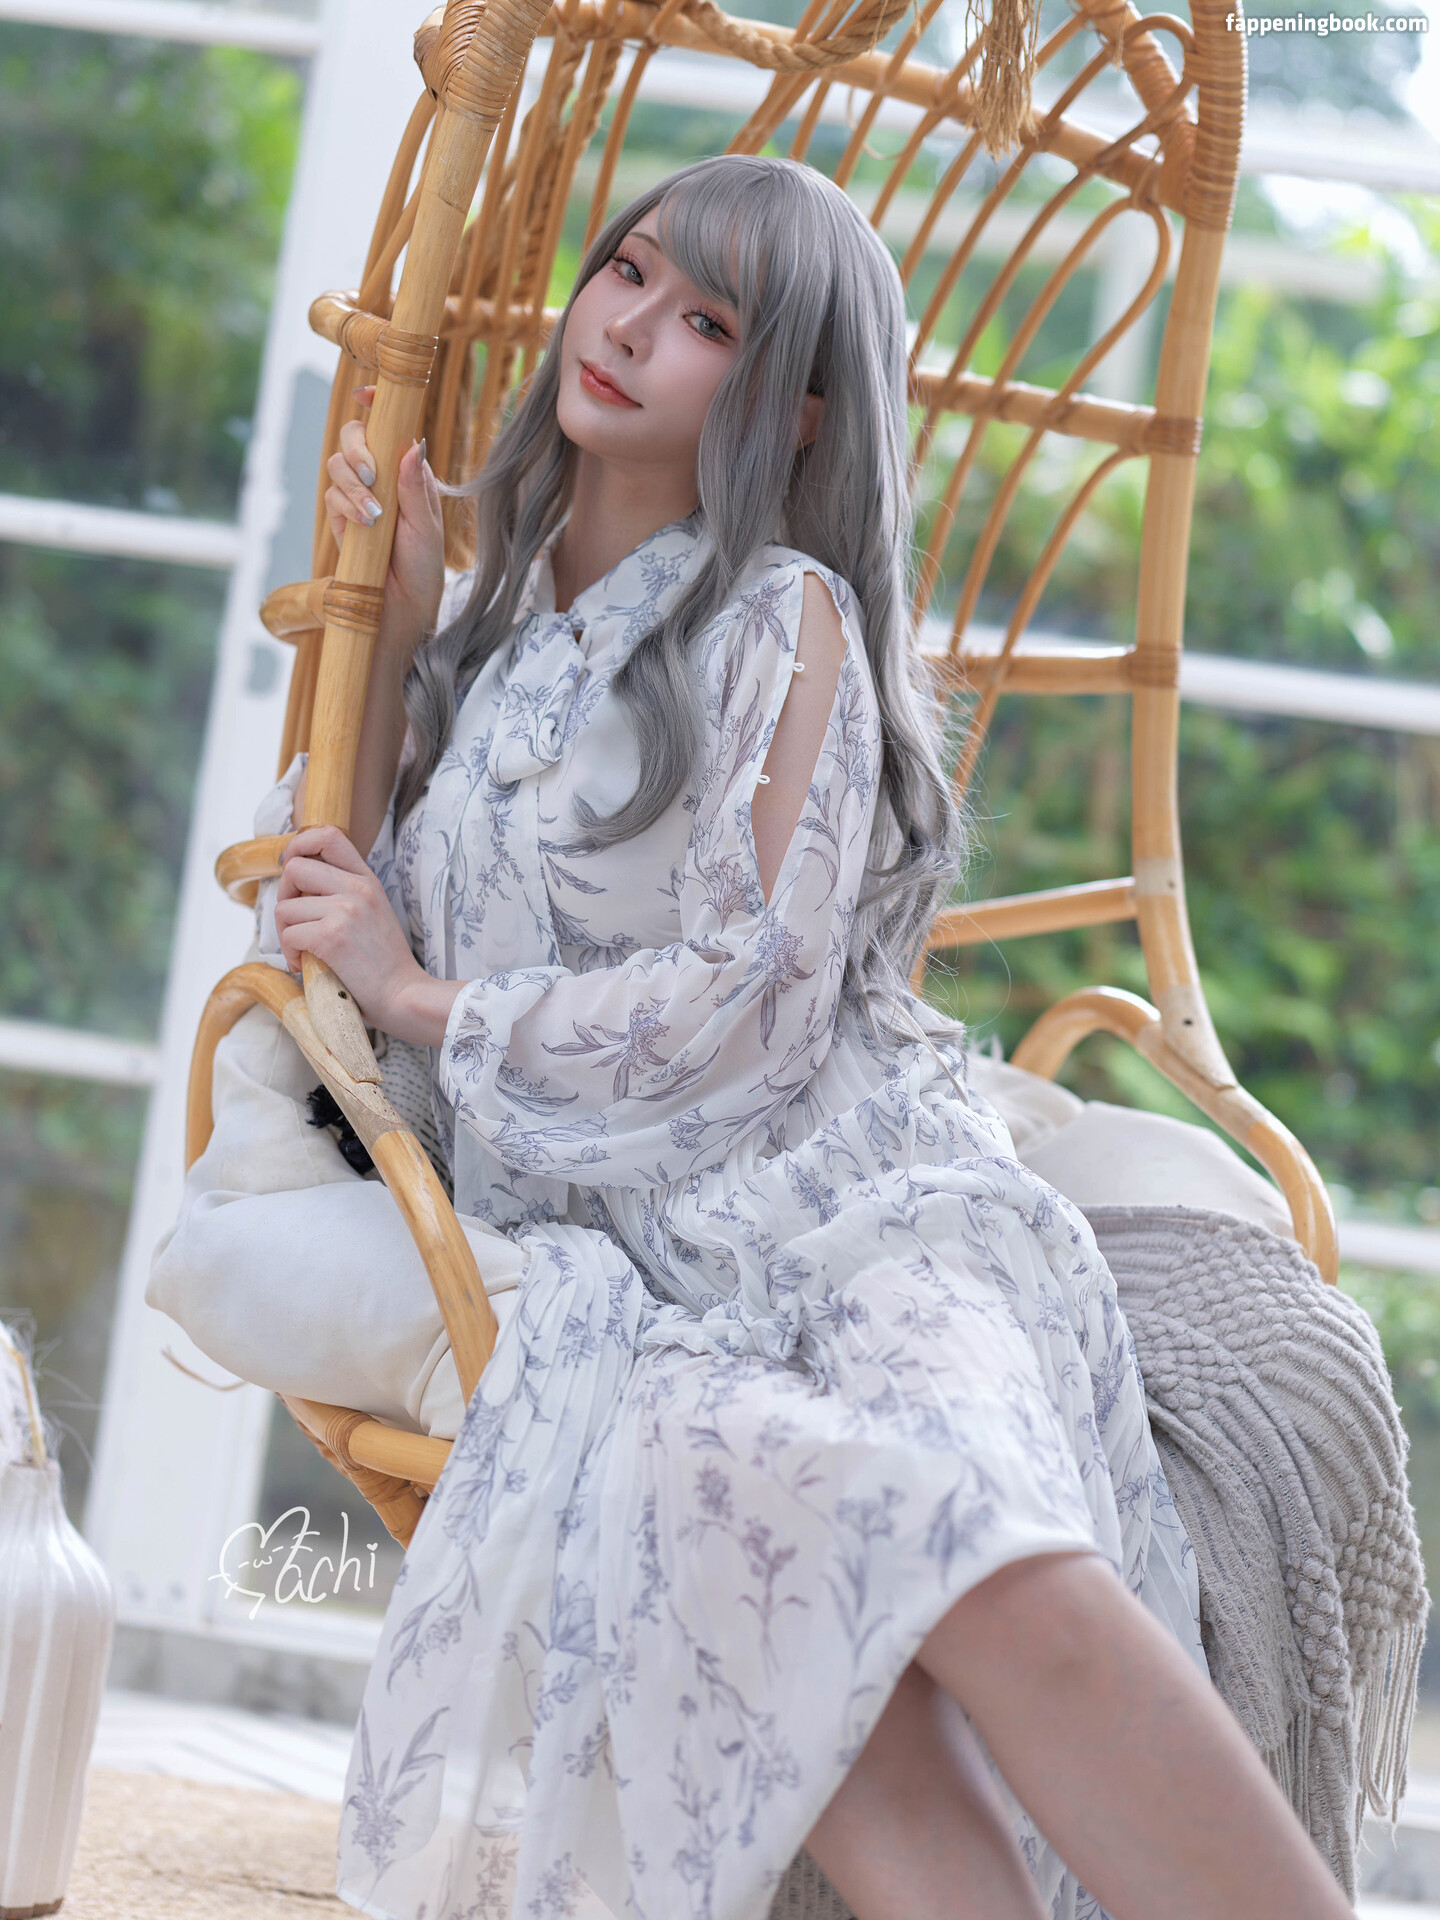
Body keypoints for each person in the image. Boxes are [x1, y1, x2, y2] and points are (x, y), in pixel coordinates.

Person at [150, 155, 1351, 1920]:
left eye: (707, 319)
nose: (631, 325)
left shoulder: (786, 617)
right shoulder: (497, 642)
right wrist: (399, 648)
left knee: (993, 1560)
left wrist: (426, 998)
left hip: (856, 1211)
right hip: (635, 1268)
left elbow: (753, 997)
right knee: (828, 1626)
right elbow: (337, 933)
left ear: (793, 408)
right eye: (628, 271)